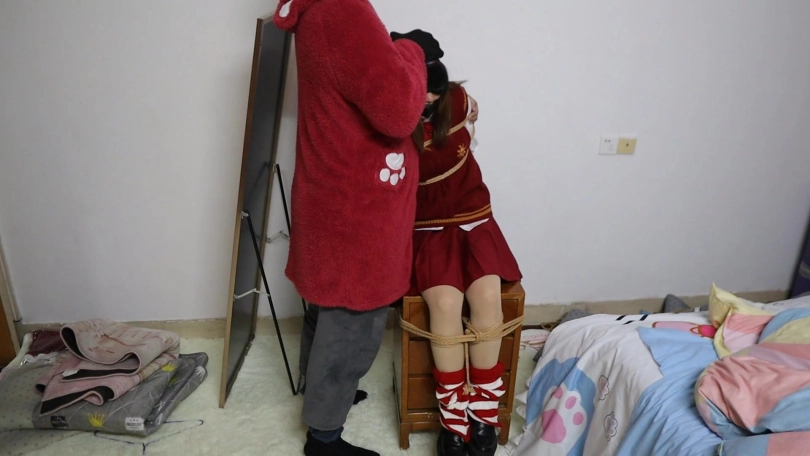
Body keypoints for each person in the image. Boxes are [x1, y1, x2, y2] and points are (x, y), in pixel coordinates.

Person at [273, 2, 438, 456]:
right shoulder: (342, 9)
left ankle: (322, 398)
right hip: (356, 210)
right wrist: (411, 50)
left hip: (334, 196)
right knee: (352, 321)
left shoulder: (321, 10)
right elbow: (399, 110)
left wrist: (393, 48)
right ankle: (324, 437)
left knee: (326, 309)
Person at [391, 30, 523, 456]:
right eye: (422, 91)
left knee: (487, 299)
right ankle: (453, 421)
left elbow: (467, 118)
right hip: (428, 228)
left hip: (472, 222)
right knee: (445, 305)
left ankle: (483, 414)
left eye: (435, 89)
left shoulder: (460, 103)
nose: (430, 99)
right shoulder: (392, 120)